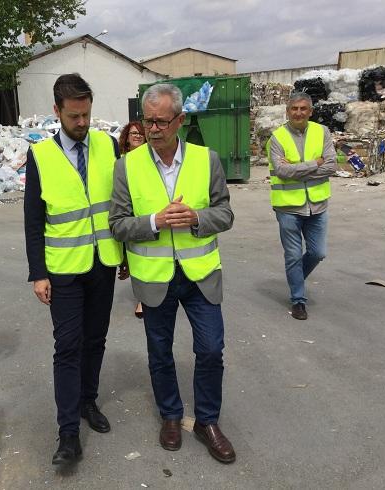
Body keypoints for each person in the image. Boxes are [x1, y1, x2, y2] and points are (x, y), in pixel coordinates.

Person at [109, 83, 236, 464]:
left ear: (180, 120)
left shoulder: (205, 159)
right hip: (154, 278)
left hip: (200, 275)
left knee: (211, 349)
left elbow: (225, 213)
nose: (154, 129)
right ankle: (171, 415)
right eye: (148, 121)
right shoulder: (127, 166)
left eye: (162, 121)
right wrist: (154, 221)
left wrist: (197, 217)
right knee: (160, 353)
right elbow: (117, 224)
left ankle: (207, 422)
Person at [24, 73, 126, 465]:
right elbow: (34, 219)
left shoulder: (105, 145)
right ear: (57, 112)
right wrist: (38, 272)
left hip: (103, 263)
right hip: (63, 270)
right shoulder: (41, 155)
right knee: (67, 347)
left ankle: (88, 402)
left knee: (95, 341)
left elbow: (119, 206)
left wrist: (125, 256)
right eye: (73, 116)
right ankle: (67, 433)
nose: (82, 123)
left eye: (86, 115)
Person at [266, 92, 336, 320]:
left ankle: (294, 278)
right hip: (288, 208)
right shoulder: (277, 138)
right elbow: (282, 172)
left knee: (318, 252)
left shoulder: (322, 132)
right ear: (287, 111)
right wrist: (314, 164)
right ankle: (298, 299)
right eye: (294, 108)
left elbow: (331, 166)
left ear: (311, 111)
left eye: (303, 108)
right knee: (293, 256)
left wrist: (296, 167)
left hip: (318, 205)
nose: (298, 112)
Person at [119, 121, 147, 318]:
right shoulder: (120, 161)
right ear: (127, 138)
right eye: (133, 133)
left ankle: (142, 299)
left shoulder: (150, 159)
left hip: (143, 215)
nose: (137, 136)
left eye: (140, 133)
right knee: (129, 258)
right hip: (124, 216)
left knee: (142, 258)